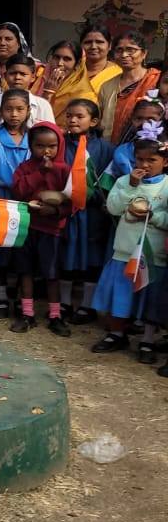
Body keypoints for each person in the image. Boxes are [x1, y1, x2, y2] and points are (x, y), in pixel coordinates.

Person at [92, 131, 168, 361]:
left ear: (165, 162)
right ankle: (117, 333)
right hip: (124, 252)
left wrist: (153, 216)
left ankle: (147, 340)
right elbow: (114, 208)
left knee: (150, 299)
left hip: (153, 255)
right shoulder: (124, 181)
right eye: (140, 159)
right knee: (120, 296)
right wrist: (132, 187)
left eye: (152, 160)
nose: (144, 165)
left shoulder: (166, 186)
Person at [8, 122, 72, 336]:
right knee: (25, 270)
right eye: (40, 146)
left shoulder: (64, 170)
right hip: (27, 225)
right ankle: (27, 314)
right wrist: (39, 174)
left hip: (52, 229)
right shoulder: (26, 168)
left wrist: (55, 211)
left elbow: (73, 202)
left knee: (51, 273)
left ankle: (55, 315)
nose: (46, 151)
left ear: (59, 146)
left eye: (52, 146)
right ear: (31, 146)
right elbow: (18, 191)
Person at [58, 99, 113, 327]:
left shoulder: (105, 148)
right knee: (65, 253)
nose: (73, 120)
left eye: (79, 116)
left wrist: (95, 195)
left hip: (92, 212)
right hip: (67, 210)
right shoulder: (60, 144)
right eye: (69, 115)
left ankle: (87, 305)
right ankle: (64, 302)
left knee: (92, 256)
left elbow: (109, 177)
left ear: (94, 121)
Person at [0, 89, 32, 319]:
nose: (14, 114)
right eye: (8, 109)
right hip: (1, 196)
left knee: (23, 249)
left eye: (20, 109)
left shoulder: (34, 136)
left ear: (28, 111)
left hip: (26, 198)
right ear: (0, 111)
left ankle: (23, 299)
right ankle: (1, 296)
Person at [98, 31, 161, 143]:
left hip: (149, 145)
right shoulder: (107, 86)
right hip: (111, 145)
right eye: (119, 50)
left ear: (144, 53)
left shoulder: (157, 80)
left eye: (130, 50)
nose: (124, 55)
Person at [49, 27, 120, 115]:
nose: (93, 47)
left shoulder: (118, 73)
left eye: (99, 42)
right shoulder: (68, 69)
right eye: (88, 42)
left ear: (109, 46)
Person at [0, 53, 55, 129]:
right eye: (12, 73)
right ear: (5, 76)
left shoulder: (43, 105)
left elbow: (50, 132)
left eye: (23, 74)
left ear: (33, 77)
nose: (17, 77)